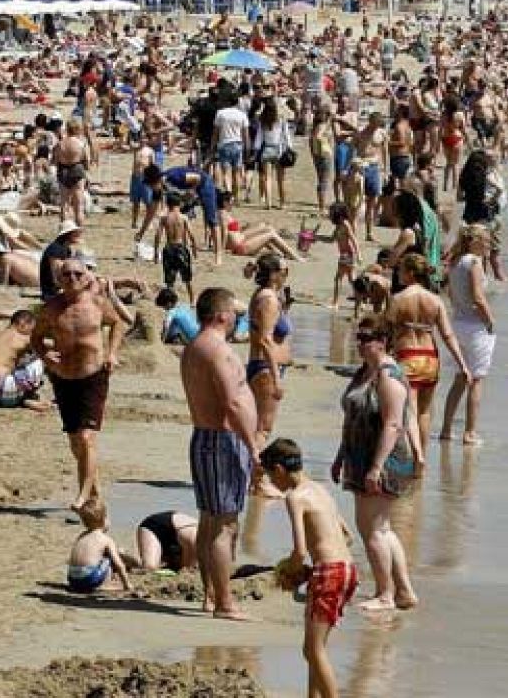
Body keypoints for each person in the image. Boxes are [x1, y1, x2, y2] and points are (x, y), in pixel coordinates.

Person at [331, 316, 418, 613]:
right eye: (359, 337)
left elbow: (394, 425)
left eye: (367, 338)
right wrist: (341, 455)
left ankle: (385, 594)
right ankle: (403, 591)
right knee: (382, 527)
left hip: (384, 460)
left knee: (373, 529)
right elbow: (353, 418)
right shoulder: (363, 372)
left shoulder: (389, 376)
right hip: (359, 456)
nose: (360, 343)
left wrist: (376, 467)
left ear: (383, 341)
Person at [181, 287, 259, 621]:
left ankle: (211, 595)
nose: (237, 318)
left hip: (206, 437)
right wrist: (253, 446)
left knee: (210, 521)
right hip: (222, 440)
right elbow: (232, 402)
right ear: (222, 315)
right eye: (235, 314)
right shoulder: (217, 351)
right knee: (224, 524)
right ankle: (224, 602)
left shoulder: (193, 347)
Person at [262, 438, 359, 698]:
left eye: (270, 477)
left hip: (329, 573)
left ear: (279, 470)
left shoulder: (295, 498)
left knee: (311, 650)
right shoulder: (320, 489)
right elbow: (347, 535)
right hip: (348, 569)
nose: (271, 485)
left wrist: (290, 571)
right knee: (316, 648)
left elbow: (300, 550)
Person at [31, 258, 126, 513]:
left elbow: (118, 323)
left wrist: (112, 353)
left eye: (77, 274)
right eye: (66, 274)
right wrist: (44, 354)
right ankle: (95, 494)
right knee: (76, 442)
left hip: (92, 375)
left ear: (86, 278)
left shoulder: (96, 303)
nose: (72, 278)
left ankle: (83, 495)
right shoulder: (51, 308)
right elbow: (36, 336)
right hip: (63, 378)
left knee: (87, 438)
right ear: (59, 280)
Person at [387, 253, 469, 453]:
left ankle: (414, 458)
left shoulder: (398, 299)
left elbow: (386, 332)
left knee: (411, 412)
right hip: (430, 358)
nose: (397, 274)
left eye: (401, 270)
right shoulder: (435, 300)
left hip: (407, 356)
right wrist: (462, 364)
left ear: (410, 273)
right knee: (424, 413)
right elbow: (448, 335)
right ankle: (420, 457)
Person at [437, 225, 496, 444]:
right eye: (486, 241)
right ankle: (470, 432)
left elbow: (451, 294)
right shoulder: (474, 262)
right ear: (474, 241)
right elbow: (479, 298)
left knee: (460, 378)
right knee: (477, 380)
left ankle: (445, 429)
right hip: (475, 326)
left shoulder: (455, 262)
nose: (489, 245)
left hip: (458, 323)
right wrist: (490, 320)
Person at [246, 254, 295, 494]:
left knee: (258, 427)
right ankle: (257, 481)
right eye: (285, 271)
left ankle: (253, 479)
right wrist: (276, 377)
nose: (287, 275)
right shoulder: (268, 299)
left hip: (264, 366)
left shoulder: (270, 298)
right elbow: (266, 340)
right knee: (263, 429)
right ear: (275, 274)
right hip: (265, 368)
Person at [0, 309, 46, 408]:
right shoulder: (19, 337)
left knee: (19, 359)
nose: (31, 333)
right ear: (23, 324)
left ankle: (18, 396)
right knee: (39, 359)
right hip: (4, 393)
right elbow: (46, 345)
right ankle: (25, 398)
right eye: (31, 330)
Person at [64, 499, 132, 595]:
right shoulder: (106, 539)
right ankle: (105, 584)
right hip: (89, 578)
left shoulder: (81, 536)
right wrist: (127, 584)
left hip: (72, 578)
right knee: (108, 559)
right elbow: (119, 565)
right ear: (104, 520)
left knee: (99, 558)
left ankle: (86, 583)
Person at [154, 192, 198, 304]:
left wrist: (155, 251)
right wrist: (194, 249)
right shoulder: (183, 218)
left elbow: (158, 235)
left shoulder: (164, 218)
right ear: (179, 204)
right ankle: (192, 300)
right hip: (181, 248)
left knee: (169, 279)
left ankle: (171, 301)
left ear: (168, 205)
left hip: (169, 248)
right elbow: (191, 235)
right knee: (187, 277)